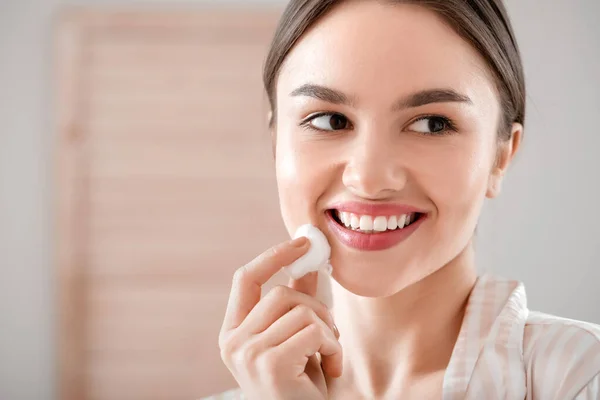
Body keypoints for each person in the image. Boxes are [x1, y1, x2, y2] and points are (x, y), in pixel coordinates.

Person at [206, 0, 600, 398]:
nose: (371, 179)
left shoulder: (583, 378)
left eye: (432, 125)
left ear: (500, 157)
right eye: (330, 120)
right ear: (276, 143)